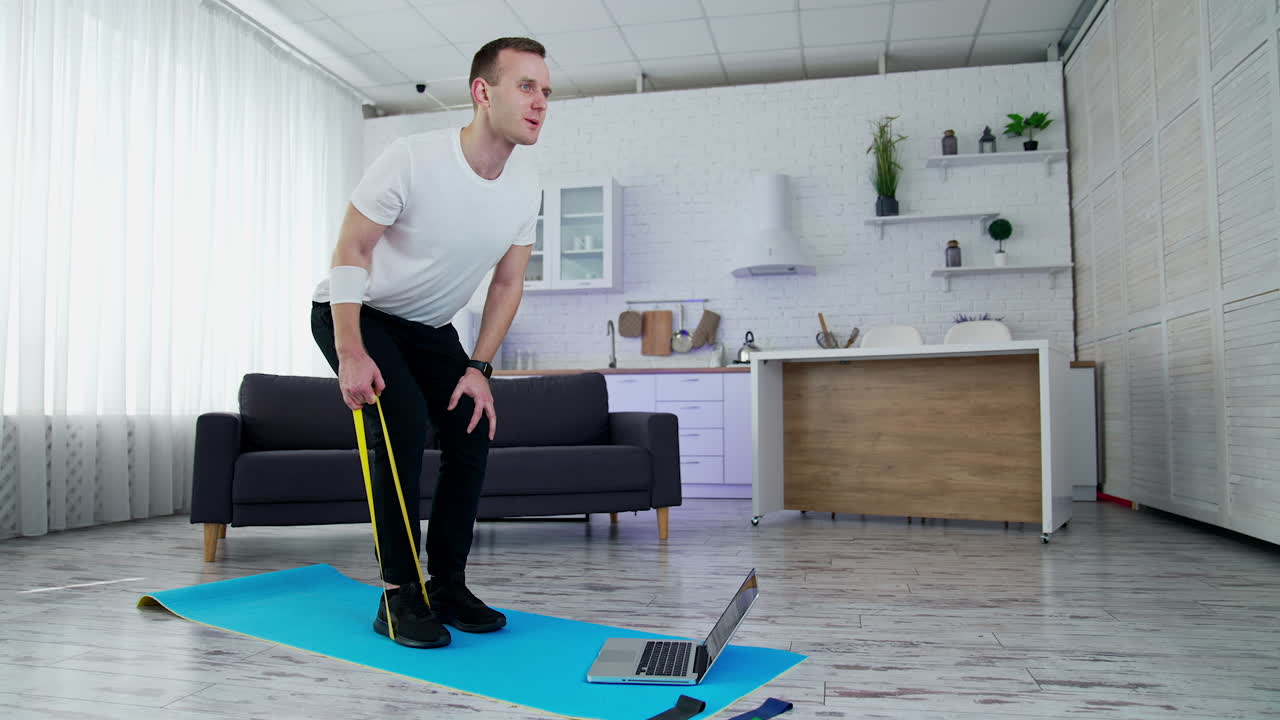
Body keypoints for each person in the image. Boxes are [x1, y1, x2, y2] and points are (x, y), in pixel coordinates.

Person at [309, 37, 551, 649]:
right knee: (404, 424)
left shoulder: (526, 186)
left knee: (471, 425)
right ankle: (398, 595)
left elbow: (507, 282)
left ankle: (447, 584)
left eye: (546, 91)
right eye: (526, 86)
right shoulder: (411, 158)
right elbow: (350, 252)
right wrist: (350, 351)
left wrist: (480, 367)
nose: (540, 101)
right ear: (482, 92)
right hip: (356, 312)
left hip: (428, 327)